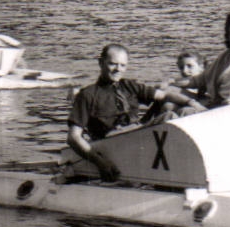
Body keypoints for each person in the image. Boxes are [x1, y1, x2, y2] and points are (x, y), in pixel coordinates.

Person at [67, 44, 194, 182]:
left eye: (122, 65)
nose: (118, 69)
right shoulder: (88, 94)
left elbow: (164, 96)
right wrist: (100, 162)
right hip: (113, 142)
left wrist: (192, 103)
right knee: (169, 117)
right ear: (101, 63)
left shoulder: (128, 86)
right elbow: (73, 137)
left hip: (136, 133)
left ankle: (187, 165)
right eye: (113, 64)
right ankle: (179, 170)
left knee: (185, 113)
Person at [140, 51, 206, 125]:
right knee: (168, 106)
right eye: (181, 68)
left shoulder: (208, 83)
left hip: (203, 116)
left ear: (201, 67)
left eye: (189, 66)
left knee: (185, 110)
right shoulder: (175, 84)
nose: (184, 71)